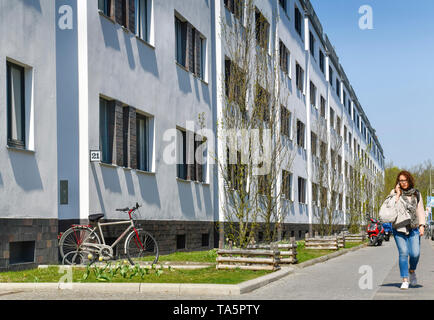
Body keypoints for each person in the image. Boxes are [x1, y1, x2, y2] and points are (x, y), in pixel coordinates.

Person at [390, 170, 426, 290]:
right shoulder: (394, 193)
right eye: (401, 180)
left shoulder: (416, 193)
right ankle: (405, 279)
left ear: (409, 180)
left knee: (415, 253)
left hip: (414, 228)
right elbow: (391, 208)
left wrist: (422, 225)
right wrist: (397, 195)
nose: (403, 182)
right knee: (403, 253)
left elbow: (420, 210)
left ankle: (412, 271)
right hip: (399, 228)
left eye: (405, 180)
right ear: (398, 182)